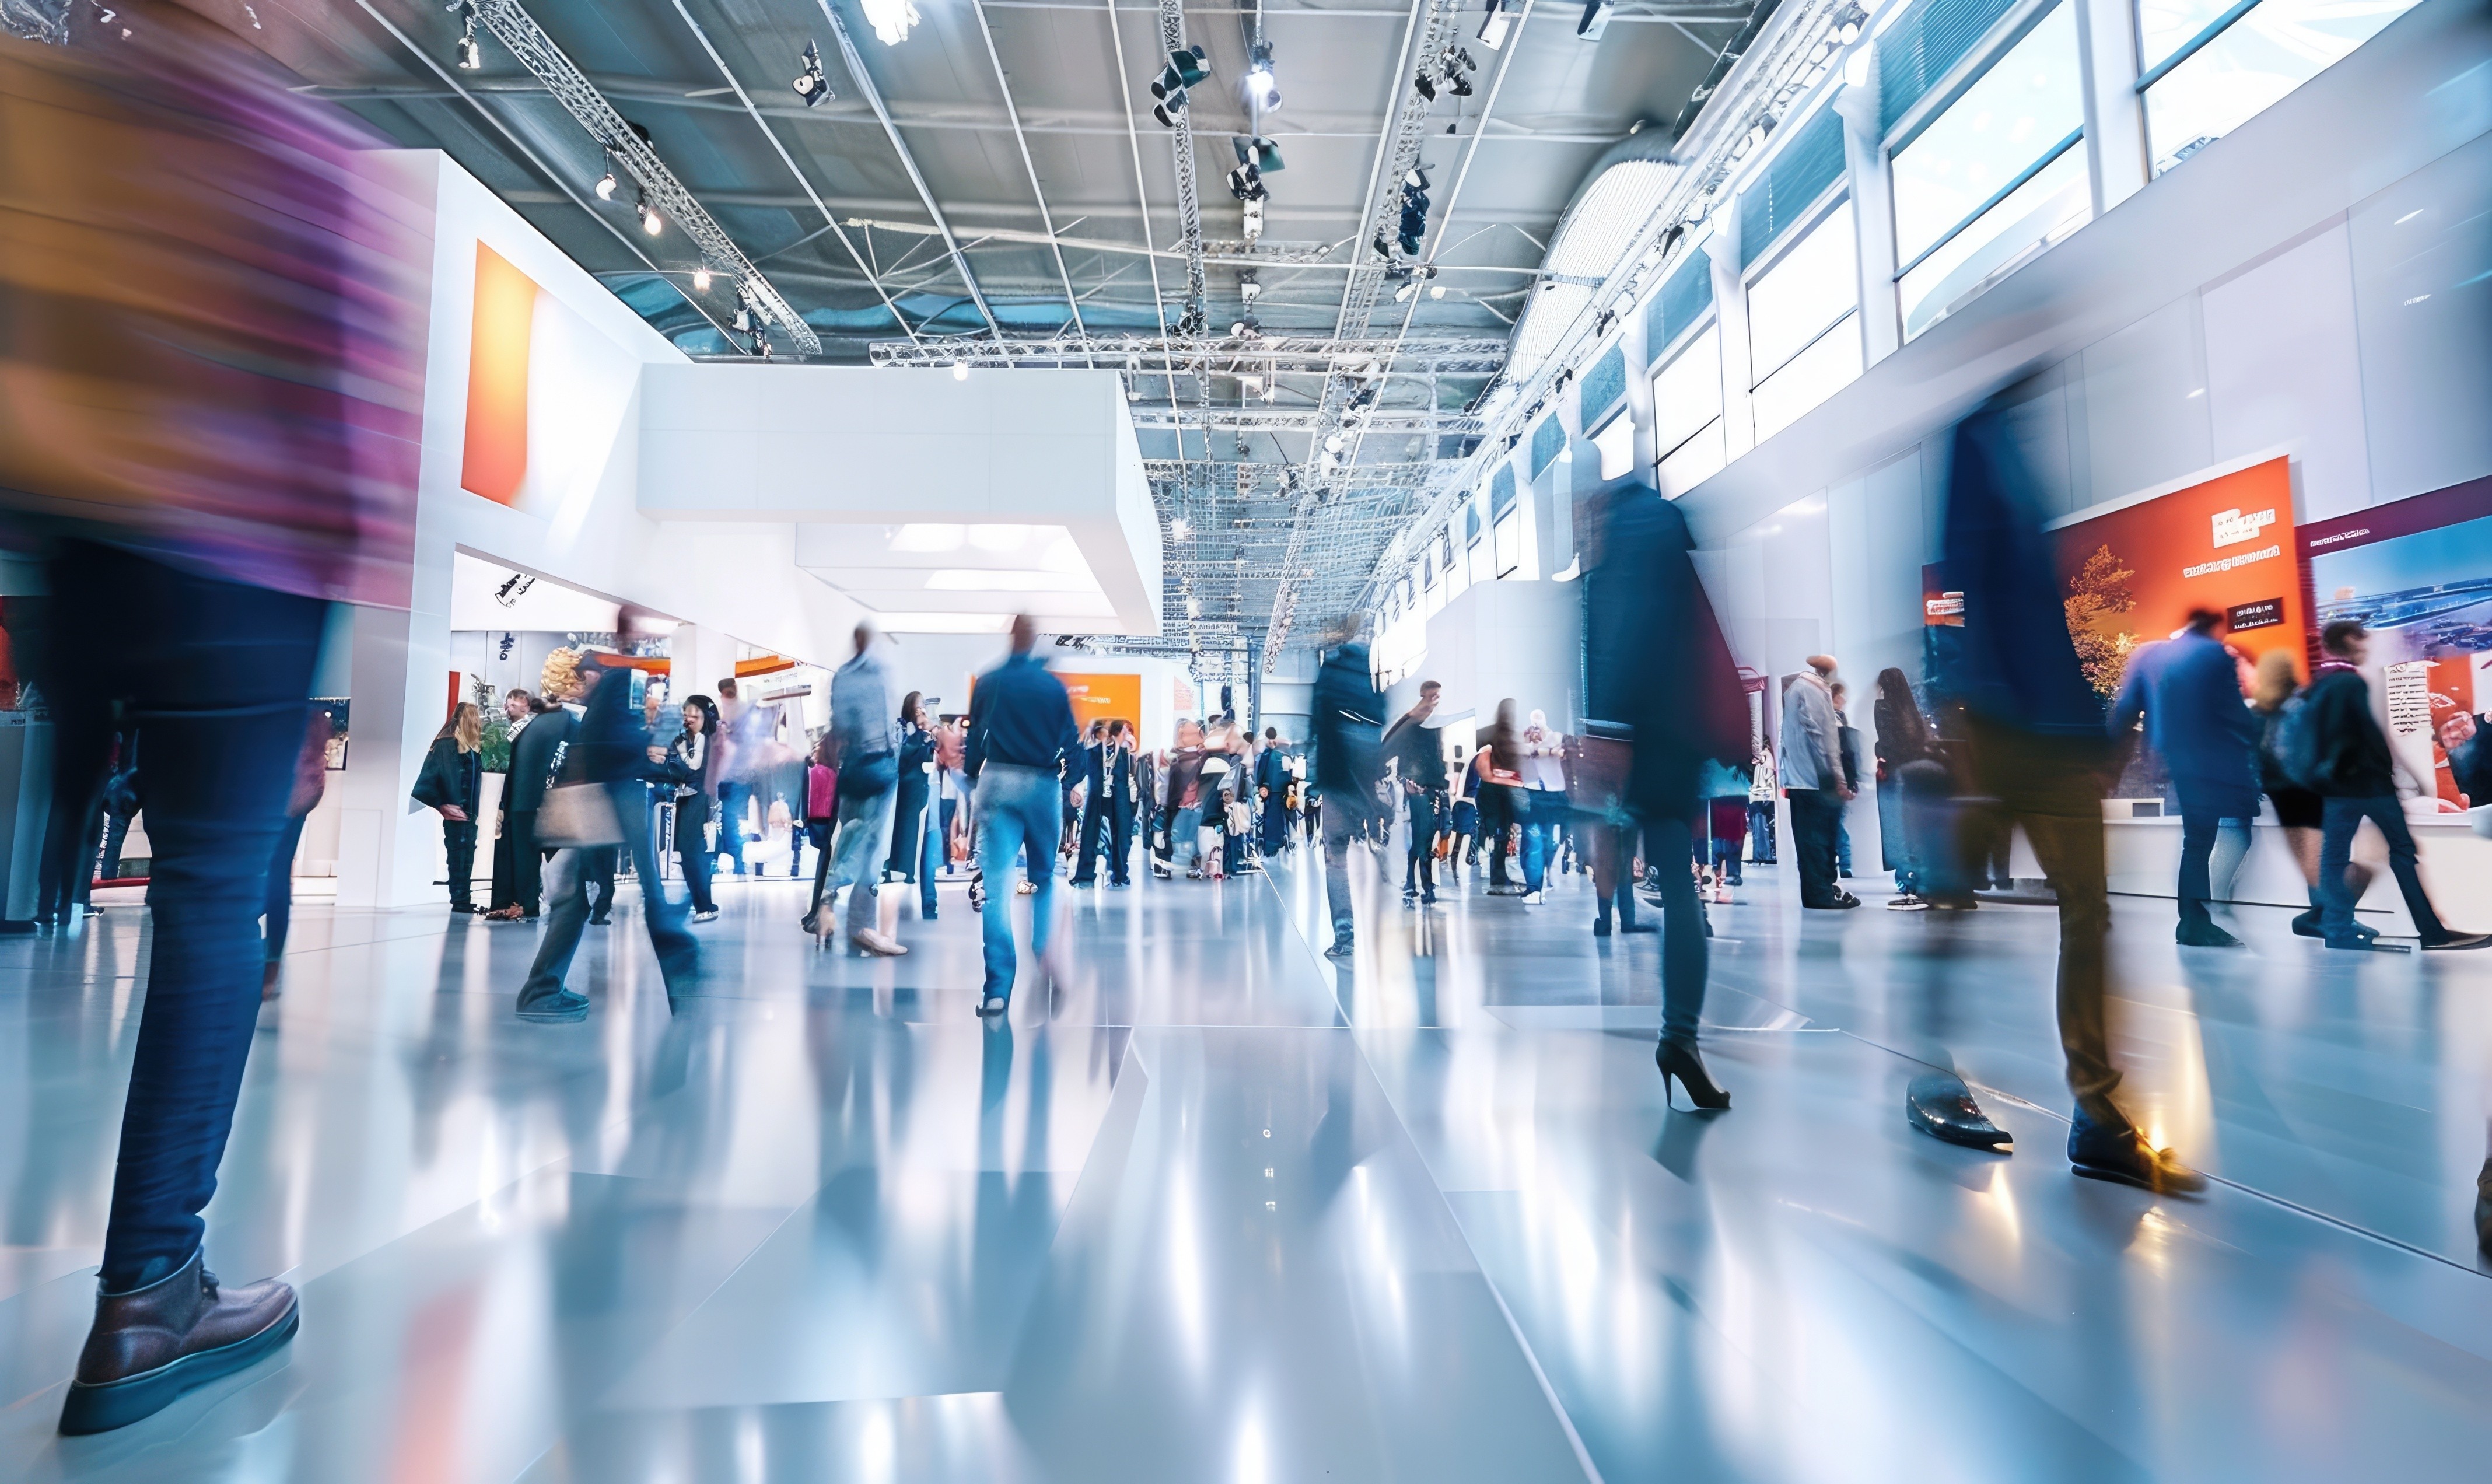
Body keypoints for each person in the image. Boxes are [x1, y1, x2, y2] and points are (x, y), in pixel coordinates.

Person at [3, 10, 428, 1429]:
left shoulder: (62, 95)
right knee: (204, 911)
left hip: (80, 554)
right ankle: (151, 1289)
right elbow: (351, 437)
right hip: (233, 571)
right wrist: (324, 689)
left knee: (44, 882)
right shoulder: (306, 153)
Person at [1910, 397, 2204, 1191]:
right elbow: (1968, 582)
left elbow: (2041, 614)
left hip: (2049, 729)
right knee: (1953, 905)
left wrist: (2088, 730)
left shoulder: (2012, 447)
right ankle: (1932, 1073)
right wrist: (1969, 732)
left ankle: (2099, 1115)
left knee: (2087, 910)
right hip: (2001, 727)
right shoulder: (1973, 438)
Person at [1584, 472, 1747, 1111]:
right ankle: (1680, 1037)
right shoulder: (1651, 527)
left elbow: (1625, 632)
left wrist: (1609, 729)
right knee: (1676, 881)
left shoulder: (1631, 528)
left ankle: (1679, 1036)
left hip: (1646, 735)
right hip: (1670, 733)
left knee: (1664, 875)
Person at [514, 652, 698, 1020]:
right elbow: (612, 751)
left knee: (573, 900)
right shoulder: (614, 688)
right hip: (597, 798)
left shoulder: (589, 704)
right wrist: (656, 762)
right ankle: (540, 992)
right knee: (599, 899)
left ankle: (541, 990)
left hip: (584, 800)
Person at [2298, 621, 2491, 952]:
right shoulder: (2353, 684)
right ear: (2350, 641)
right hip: (2370, 786)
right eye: (2363, 637)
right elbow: (2373, 738)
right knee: (2402, 854)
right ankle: (2432, 934)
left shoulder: (2320, 685)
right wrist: (2397, 778)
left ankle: (2336, 929)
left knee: (2336, 857)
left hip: (2336, 788)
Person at [2107, 611, 2263, 945]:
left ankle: (2194, 920)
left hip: (2176, 763)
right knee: (2200, 844)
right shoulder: (2212, 655)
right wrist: (2257, 733)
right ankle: (2195, 921)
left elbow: (2124, 714)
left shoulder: (2147, 654)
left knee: (2196, 844)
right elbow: (2234, 714)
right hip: (2213, 765)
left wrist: (2108, 767)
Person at [966, 615, 1080, 1016]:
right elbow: (1070, 741)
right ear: (1034, 641)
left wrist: (970, 776)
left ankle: (997, 991)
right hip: (1041, 784)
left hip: (997, 780)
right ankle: (1044, 951)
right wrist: (1073, 779)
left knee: (997, 889)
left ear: (1011, 636)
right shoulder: (1052, 687)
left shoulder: (990, 680)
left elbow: (975, 736)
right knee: (1044, 877)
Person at [808, 624, 906, 955]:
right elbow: (882, 728)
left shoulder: (843, 676)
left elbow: (839, 724)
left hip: (850, 770)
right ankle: (855, 923)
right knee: (870, 848)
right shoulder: (877, 674)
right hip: (877, 768)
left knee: (848, 838)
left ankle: (828, 907)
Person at [1310, 623, 1386, 955]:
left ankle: (1346, 935)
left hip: (1338, 779)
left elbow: (1318, 723)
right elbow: (1382, 719)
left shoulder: (1330, 671)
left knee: (1336, 859)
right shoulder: (1370, 678)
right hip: (1367, 779)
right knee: (1380, 847)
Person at [485, 678, 575, 923]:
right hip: (530, 801)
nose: (508, 709)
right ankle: (525, 902)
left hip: (526, 802)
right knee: (534, 855)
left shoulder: (535, 727)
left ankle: (524, 902)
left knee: (527, 856)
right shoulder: (552, 724)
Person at [260, 708, 335, 999]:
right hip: (281, 799)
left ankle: (270, 966)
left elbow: (313, 769)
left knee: (274, 877)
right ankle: (269, 965)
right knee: (274, 877)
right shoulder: (307, 714)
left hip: (283, 801)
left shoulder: (304, 716)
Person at [1781, 657, 1855, 909]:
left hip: (1801, 779)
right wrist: (1839, 779)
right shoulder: (1813, 690)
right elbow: (1823, 738)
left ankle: (1819, 895)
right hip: (1815, 780)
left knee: (1810, 842)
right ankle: (1821, 897)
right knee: (1818, 842)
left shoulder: (1795, 689)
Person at [1873, 667, 1938, 909]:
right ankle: (1922, 884)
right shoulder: (1911, 711)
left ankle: (1908, 887)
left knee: (1897, 832)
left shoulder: (1883, 708)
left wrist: (1880, 754)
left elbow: (1886, 743)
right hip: (1915, 775)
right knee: (1915, 829)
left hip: (1895, 774)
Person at [412, 702, 486, 914]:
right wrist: (442, 805)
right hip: (456, 812)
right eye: (472, 716)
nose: (476, 721)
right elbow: (427, 782)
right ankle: (460, 899)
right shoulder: (446, 746)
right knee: (458, 855)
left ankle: (463, 898)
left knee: (466, 854)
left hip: (469, 813)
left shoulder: (474, 750)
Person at [1382, 681, 1447, 906]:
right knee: (1422, 841)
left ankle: (1416, 887)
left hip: (1430, 789)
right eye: (1434, 696)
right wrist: (1409, 778)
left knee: (1425, 840)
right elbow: (1389, 748)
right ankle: (1418, 887)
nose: (1437, 700)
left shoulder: (1430, 723)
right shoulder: (1413, 722)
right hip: (1420, 789)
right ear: (1425, 695)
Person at [661, 695, 722, 922]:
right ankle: (701, 904)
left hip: (704, 800)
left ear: (706, 716)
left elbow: (690, 770)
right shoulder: (682, 740)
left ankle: (705, 905)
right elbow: (676, 771)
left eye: (695, 714)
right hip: (685, 799)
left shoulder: (713, 741)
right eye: (687, 714)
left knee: (698, 855)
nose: (690, 718)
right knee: (688, 855)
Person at [484, 687, 536, 914]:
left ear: (526, 706)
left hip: (517, 799)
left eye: (515, 705)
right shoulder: (513, 730)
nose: (509, 709)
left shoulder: (524, 731)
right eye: (509, 704)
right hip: (509, 797)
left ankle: (516, 900)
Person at [1072, 719, 1139, 888]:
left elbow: (1135, 767)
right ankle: (1085, 877)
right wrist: (1078, 788)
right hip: (1097, 797)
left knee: (1123, 837)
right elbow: (1081, 771)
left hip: (1122, 798)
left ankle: (1119, 874)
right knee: (1090, 836)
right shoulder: (1092, 748)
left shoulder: (1126, 749)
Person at [1517, 708, 1569, 904]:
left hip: (1555, 795)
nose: (1536, 730)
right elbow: (1527, 753)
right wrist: (1529, 741)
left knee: (1548, 843)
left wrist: (1543, 732)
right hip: (1532, 794)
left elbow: (1557, 746)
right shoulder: (1525, 746)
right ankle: (1534, 888)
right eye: (1533, 726)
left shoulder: (1556, 737)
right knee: (1534, 842)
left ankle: (1540, 878)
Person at [887, 691, 936, 892]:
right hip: (908, 784)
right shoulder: (906, 730)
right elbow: (905, 753)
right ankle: (898, 868)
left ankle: (905, 869)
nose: (923, 710)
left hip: (915, 784)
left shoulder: (919, 731)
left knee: (909, 829)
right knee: (902, 828)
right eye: (919, 707)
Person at [1157, 720, 1210, 879]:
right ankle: (1193, 864)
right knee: (1194, 836)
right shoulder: (1203, 756)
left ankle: (1168, 863)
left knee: (1175, 835)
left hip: (1181, 803)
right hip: (1192, 803)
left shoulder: (1175, 756)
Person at [1257, 727, 1292, 855]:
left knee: (1272, 820)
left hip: (1270, 791)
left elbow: (1260, 773)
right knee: (1279, 819)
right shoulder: (1283, 754)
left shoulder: (1265, 754)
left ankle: (1272, 846)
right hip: (1281, 791)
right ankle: (1277, 842)